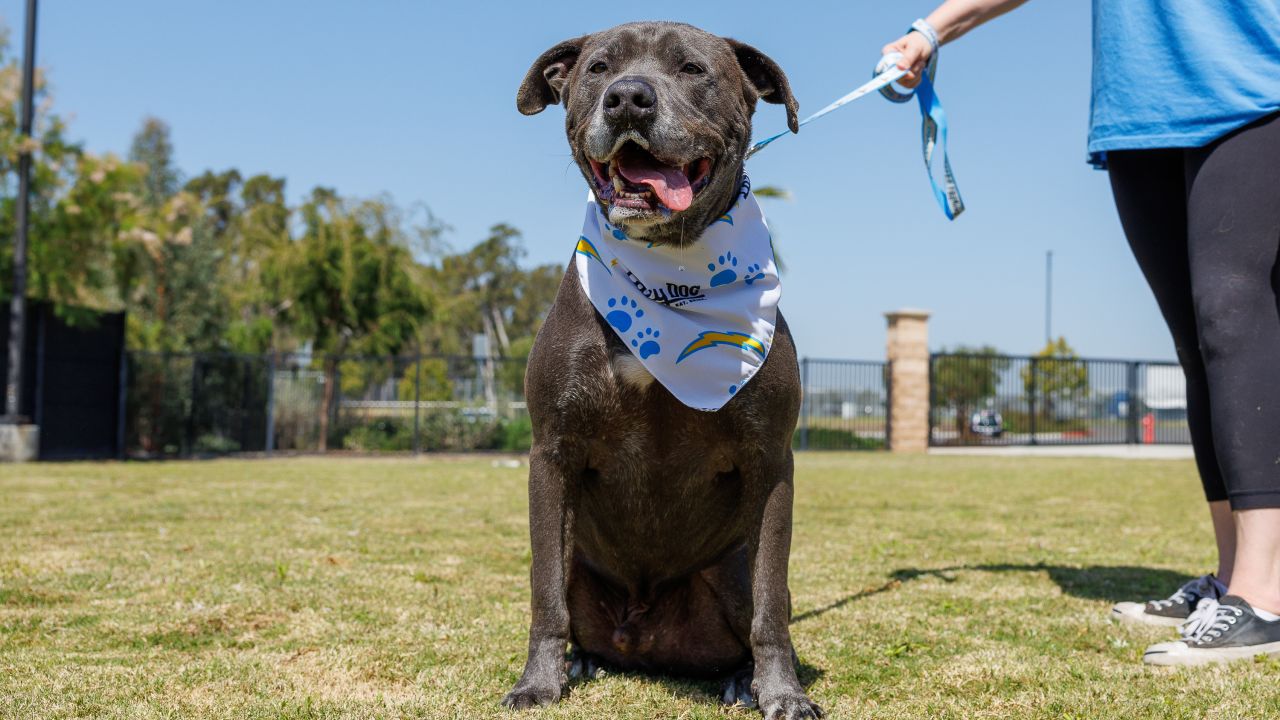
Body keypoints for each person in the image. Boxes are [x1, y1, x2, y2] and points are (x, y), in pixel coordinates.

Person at [881, 0, 1280, 666]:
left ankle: (1265, 597)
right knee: (1197, 344)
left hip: (1258, 83)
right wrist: (932, 28)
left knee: (1231, 315)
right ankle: (1231, 577)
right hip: (1142, 107)